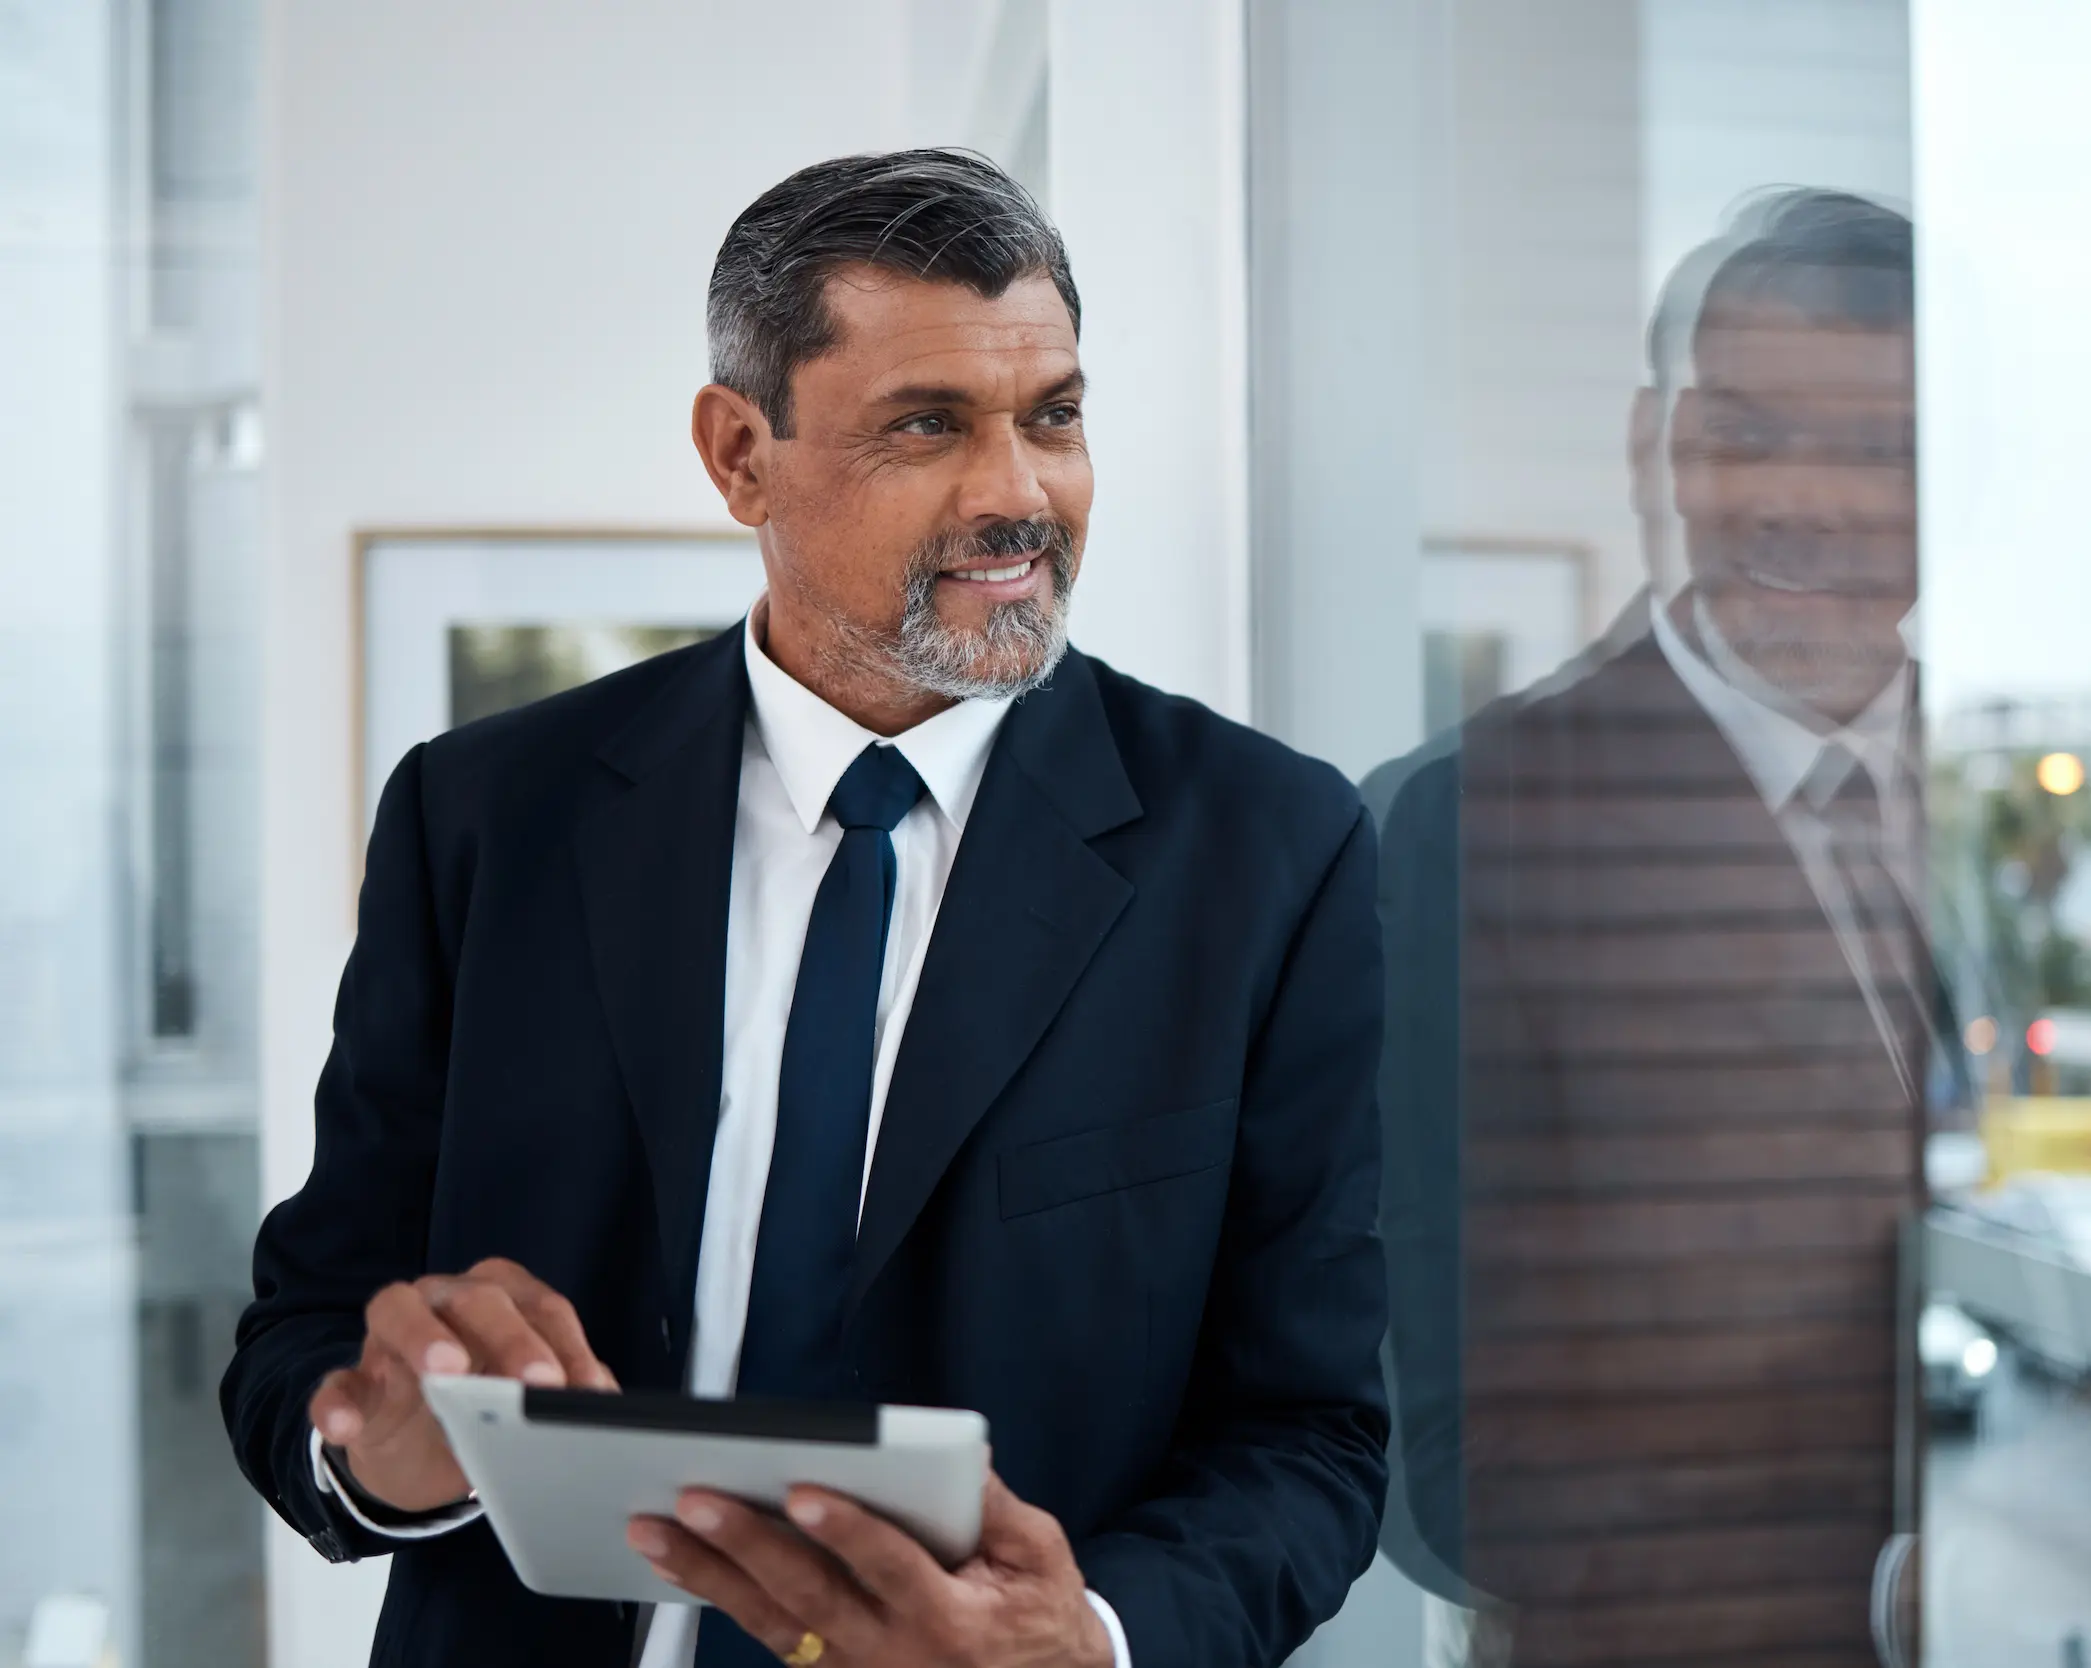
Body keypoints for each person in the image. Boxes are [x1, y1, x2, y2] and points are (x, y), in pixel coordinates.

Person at [222, 150, 1389, 1668]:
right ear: (738, 455)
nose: (1019, 494)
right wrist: (379, 1451)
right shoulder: (490, 814)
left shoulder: (1269, 849)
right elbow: (308, 1332)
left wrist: (1090, 1638)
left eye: (1054, 418)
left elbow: (1311, 1438)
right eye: (928, 427)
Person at [1369, 189, 1930, 1666]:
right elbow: (1451, 1468)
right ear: (1662, 449)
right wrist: (1899, 1593)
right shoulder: (1464, 832)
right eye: (1748, 433)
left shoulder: (2001, 798)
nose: (1805, 500)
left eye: (1879, 451)